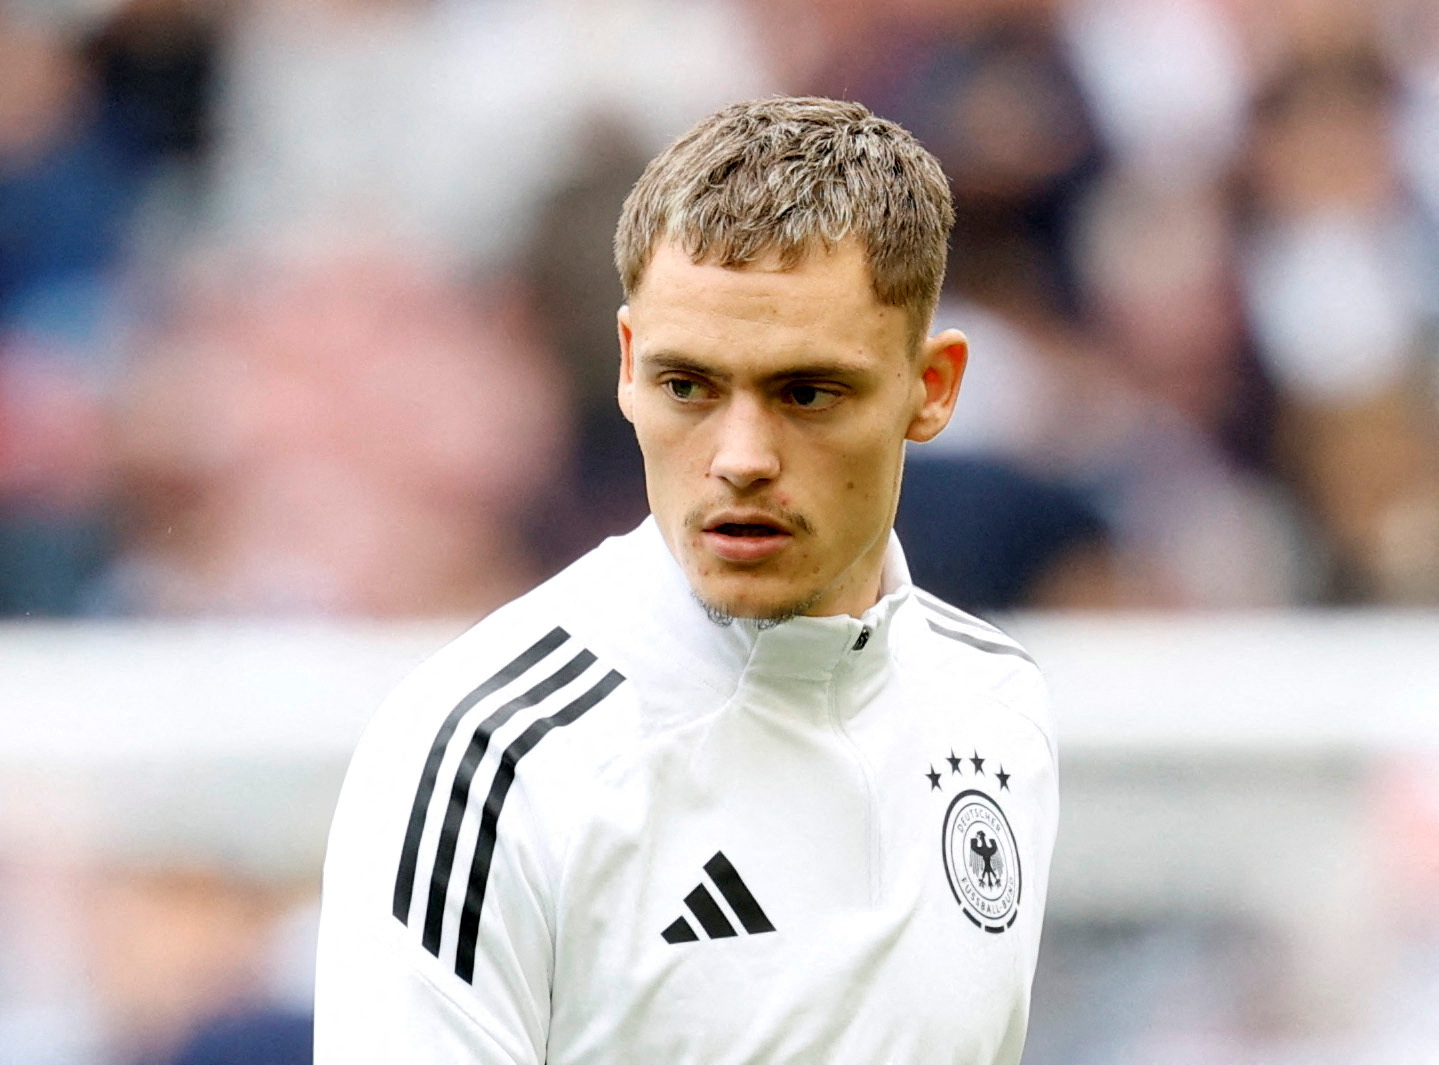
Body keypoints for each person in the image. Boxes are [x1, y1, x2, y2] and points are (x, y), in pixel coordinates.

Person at [315, 96, 1059, 1064]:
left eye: (806, 392)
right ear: (628, 368)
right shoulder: (486, 763)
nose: (740, 457)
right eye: (687, 387)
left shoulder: (996, 713)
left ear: (932, 387)